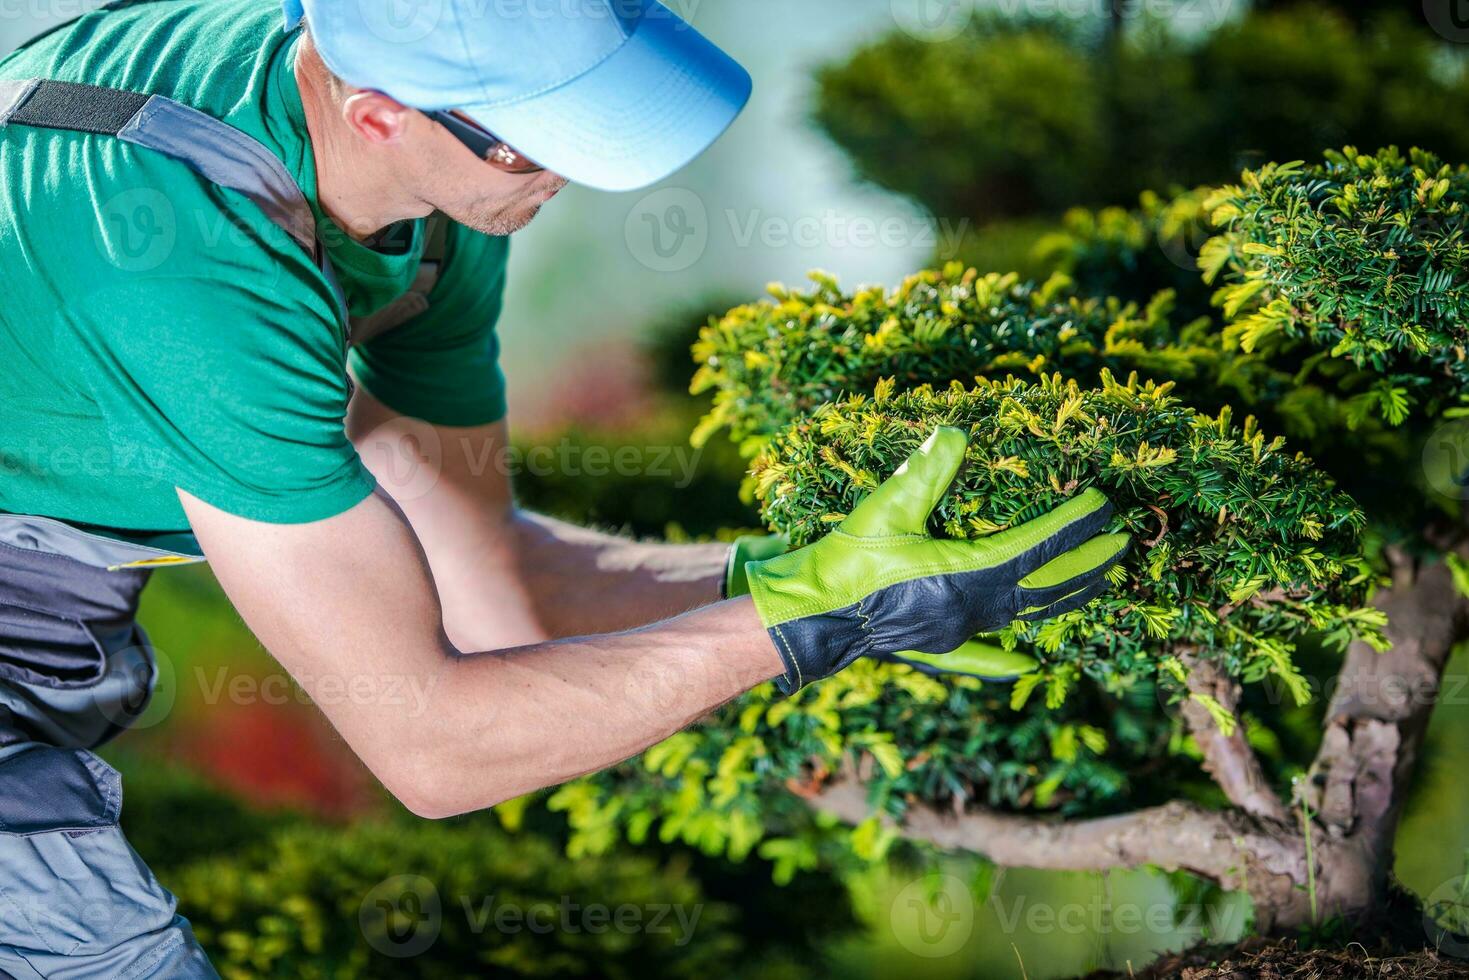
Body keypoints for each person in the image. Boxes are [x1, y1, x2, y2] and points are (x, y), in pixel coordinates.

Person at [0, 0, 1130, 974]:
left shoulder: (438, 201)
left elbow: (495, 587)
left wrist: (784, 578)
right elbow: (433, 747)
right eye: (534, 142)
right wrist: (812, 625)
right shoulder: (184, 262)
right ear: (376, 111)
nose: (562, 176)